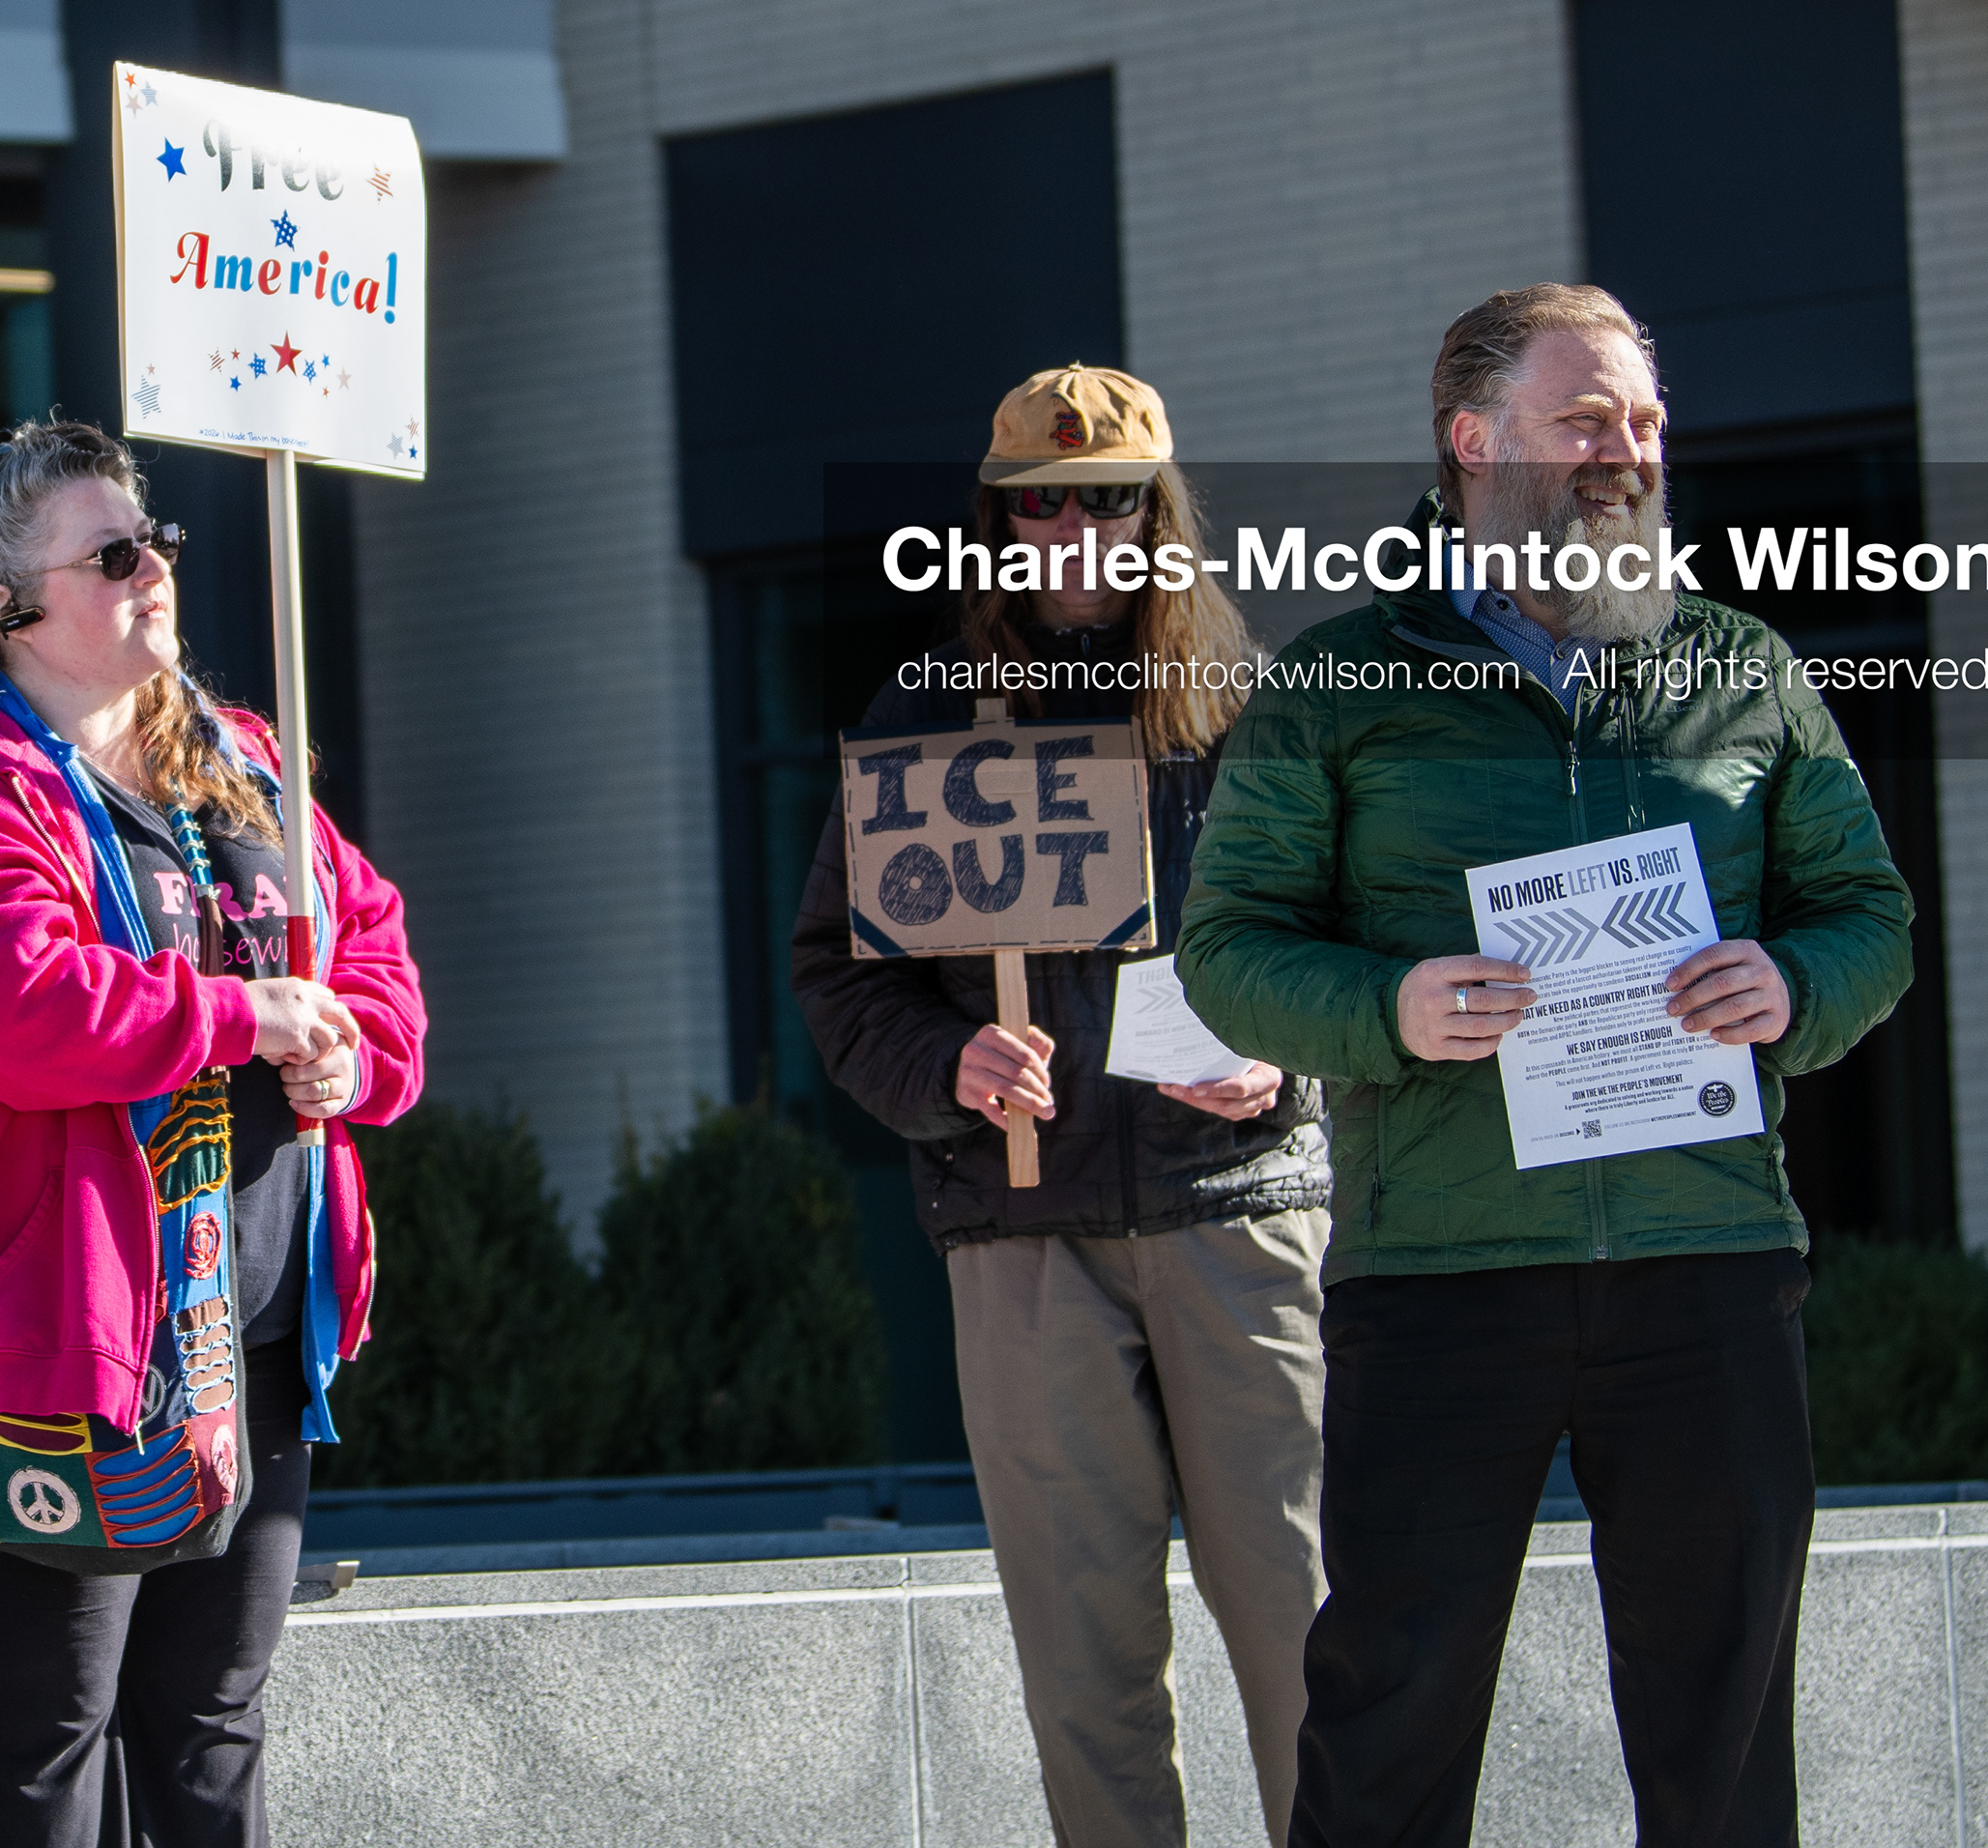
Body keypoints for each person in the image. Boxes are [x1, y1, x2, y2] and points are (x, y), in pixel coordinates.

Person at [1178, 284, 1915, 1848]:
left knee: (1723, 1739)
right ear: (1473, 439)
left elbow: (1869, 918)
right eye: (1586, 419)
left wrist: (1791, 982)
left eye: (1643, 421)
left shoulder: (1745, 666)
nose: (1625, 453)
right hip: (1444, 1275)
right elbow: (1230, 949)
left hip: (1706, 1260)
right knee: (1392, 1719)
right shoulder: (1338, 683)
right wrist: (1391, 1008)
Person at [0, 419, 426, 1847]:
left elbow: (368, 938)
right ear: (5, 609)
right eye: (110, 554)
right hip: (44, 1328)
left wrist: (357, 1055)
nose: (151, 570)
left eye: (156, 543)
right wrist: (248, 1016)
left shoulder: (238, 759)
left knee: (214, 1714)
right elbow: (18, 1012)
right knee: (50, 1724)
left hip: (255, 1325)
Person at [792, 362, 1329, 1848]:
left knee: (1309, 1638)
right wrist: (942, 1070)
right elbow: (837, 975)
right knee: (1084, 1670)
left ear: (1162, 517)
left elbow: (1362, 950)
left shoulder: (1252, 706)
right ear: (998, 523)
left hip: (1246, 1216)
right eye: (1043, 501)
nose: (1077, 526)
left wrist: (1292, 1059)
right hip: (1021, 1232)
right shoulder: (924, 712)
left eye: (1112, 499)